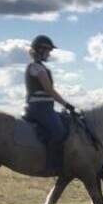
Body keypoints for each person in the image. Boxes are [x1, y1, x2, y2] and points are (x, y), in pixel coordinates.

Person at [22, 35, 75, 174]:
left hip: (46, 108)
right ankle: (51, 164)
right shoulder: (36, 68)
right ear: (40, 50)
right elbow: (49, 90)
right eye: (48, 51)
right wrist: (66, 104)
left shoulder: (41, 67)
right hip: (39, 108)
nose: (49, 53)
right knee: (58, 131)